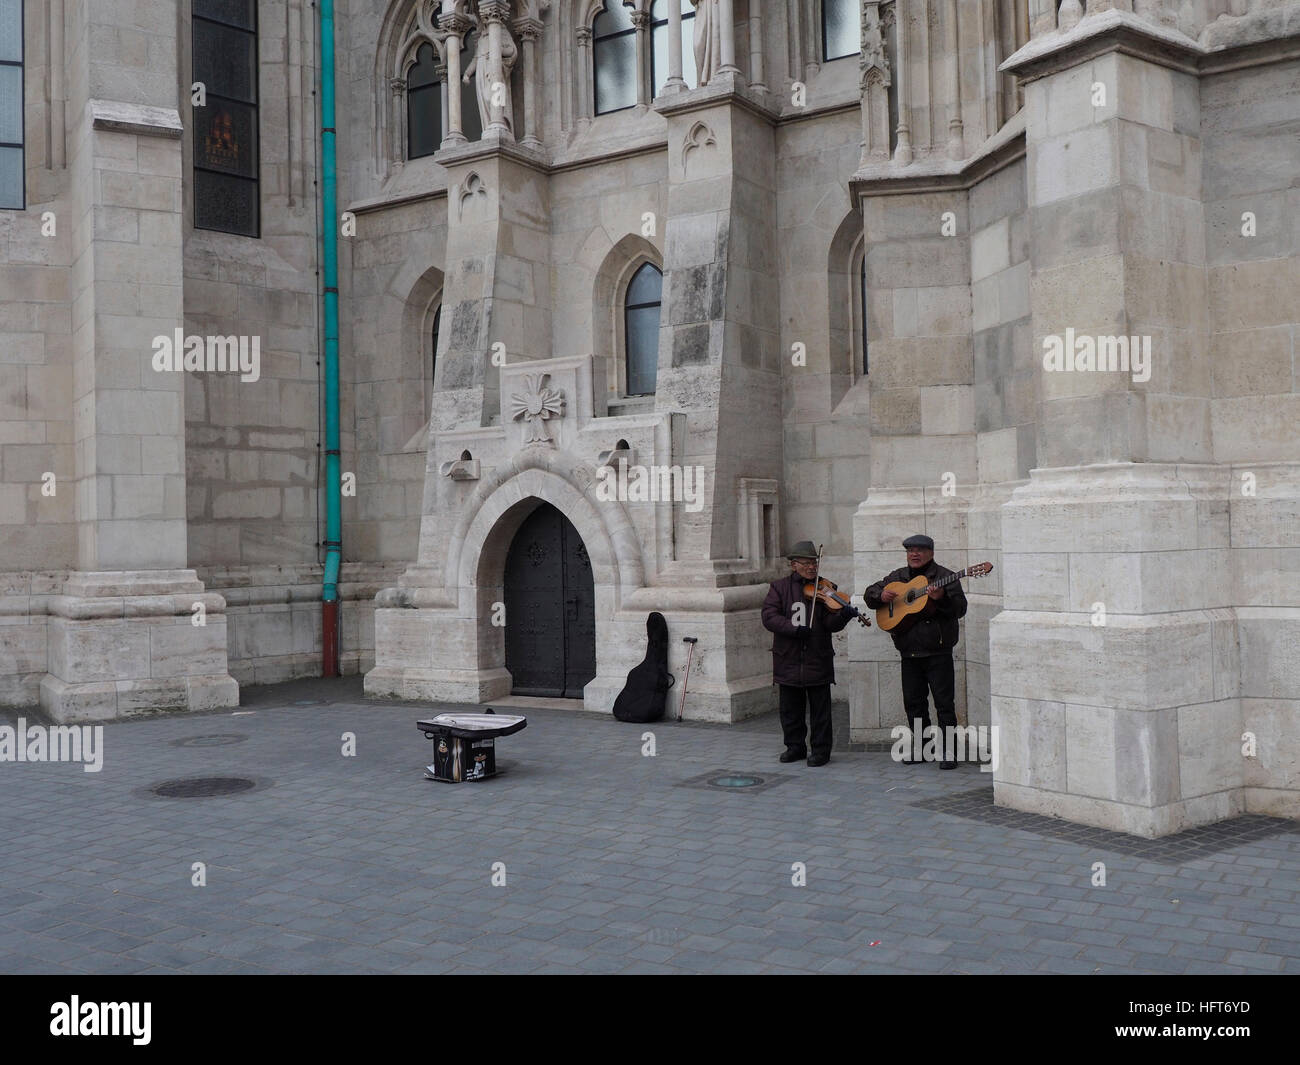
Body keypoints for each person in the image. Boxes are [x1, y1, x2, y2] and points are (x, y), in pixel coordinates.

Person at [863, 534, 968, 769]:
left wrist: (941, 600)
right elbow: (869, 593)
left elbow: (960, 609)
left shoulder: (945, 577)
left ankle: (949, 752)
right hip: (909, 652)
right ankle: (922, 749)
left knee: (944, 704)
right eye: (910, 550)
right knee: (914, 703)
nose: (914, 554)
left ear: (931, 553)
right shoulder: (897, 577)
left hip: (938, 652)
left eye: (920, 550)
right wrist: (879, 595)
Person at [761, 541, 858, 766]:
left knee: (821, 712)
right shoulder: (779, 588)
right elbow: (769, 616)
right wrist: (794, 629)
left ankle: (821, 751)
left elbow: (830, 624)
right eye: (806, 563)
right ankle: (795, 747)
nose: (812, 567)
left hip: (817, 657)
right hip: (788, 658)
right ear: (794, 565)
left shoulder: (826, 588)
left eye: (814, 563)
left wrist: (844, 615)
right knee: (790, 710)